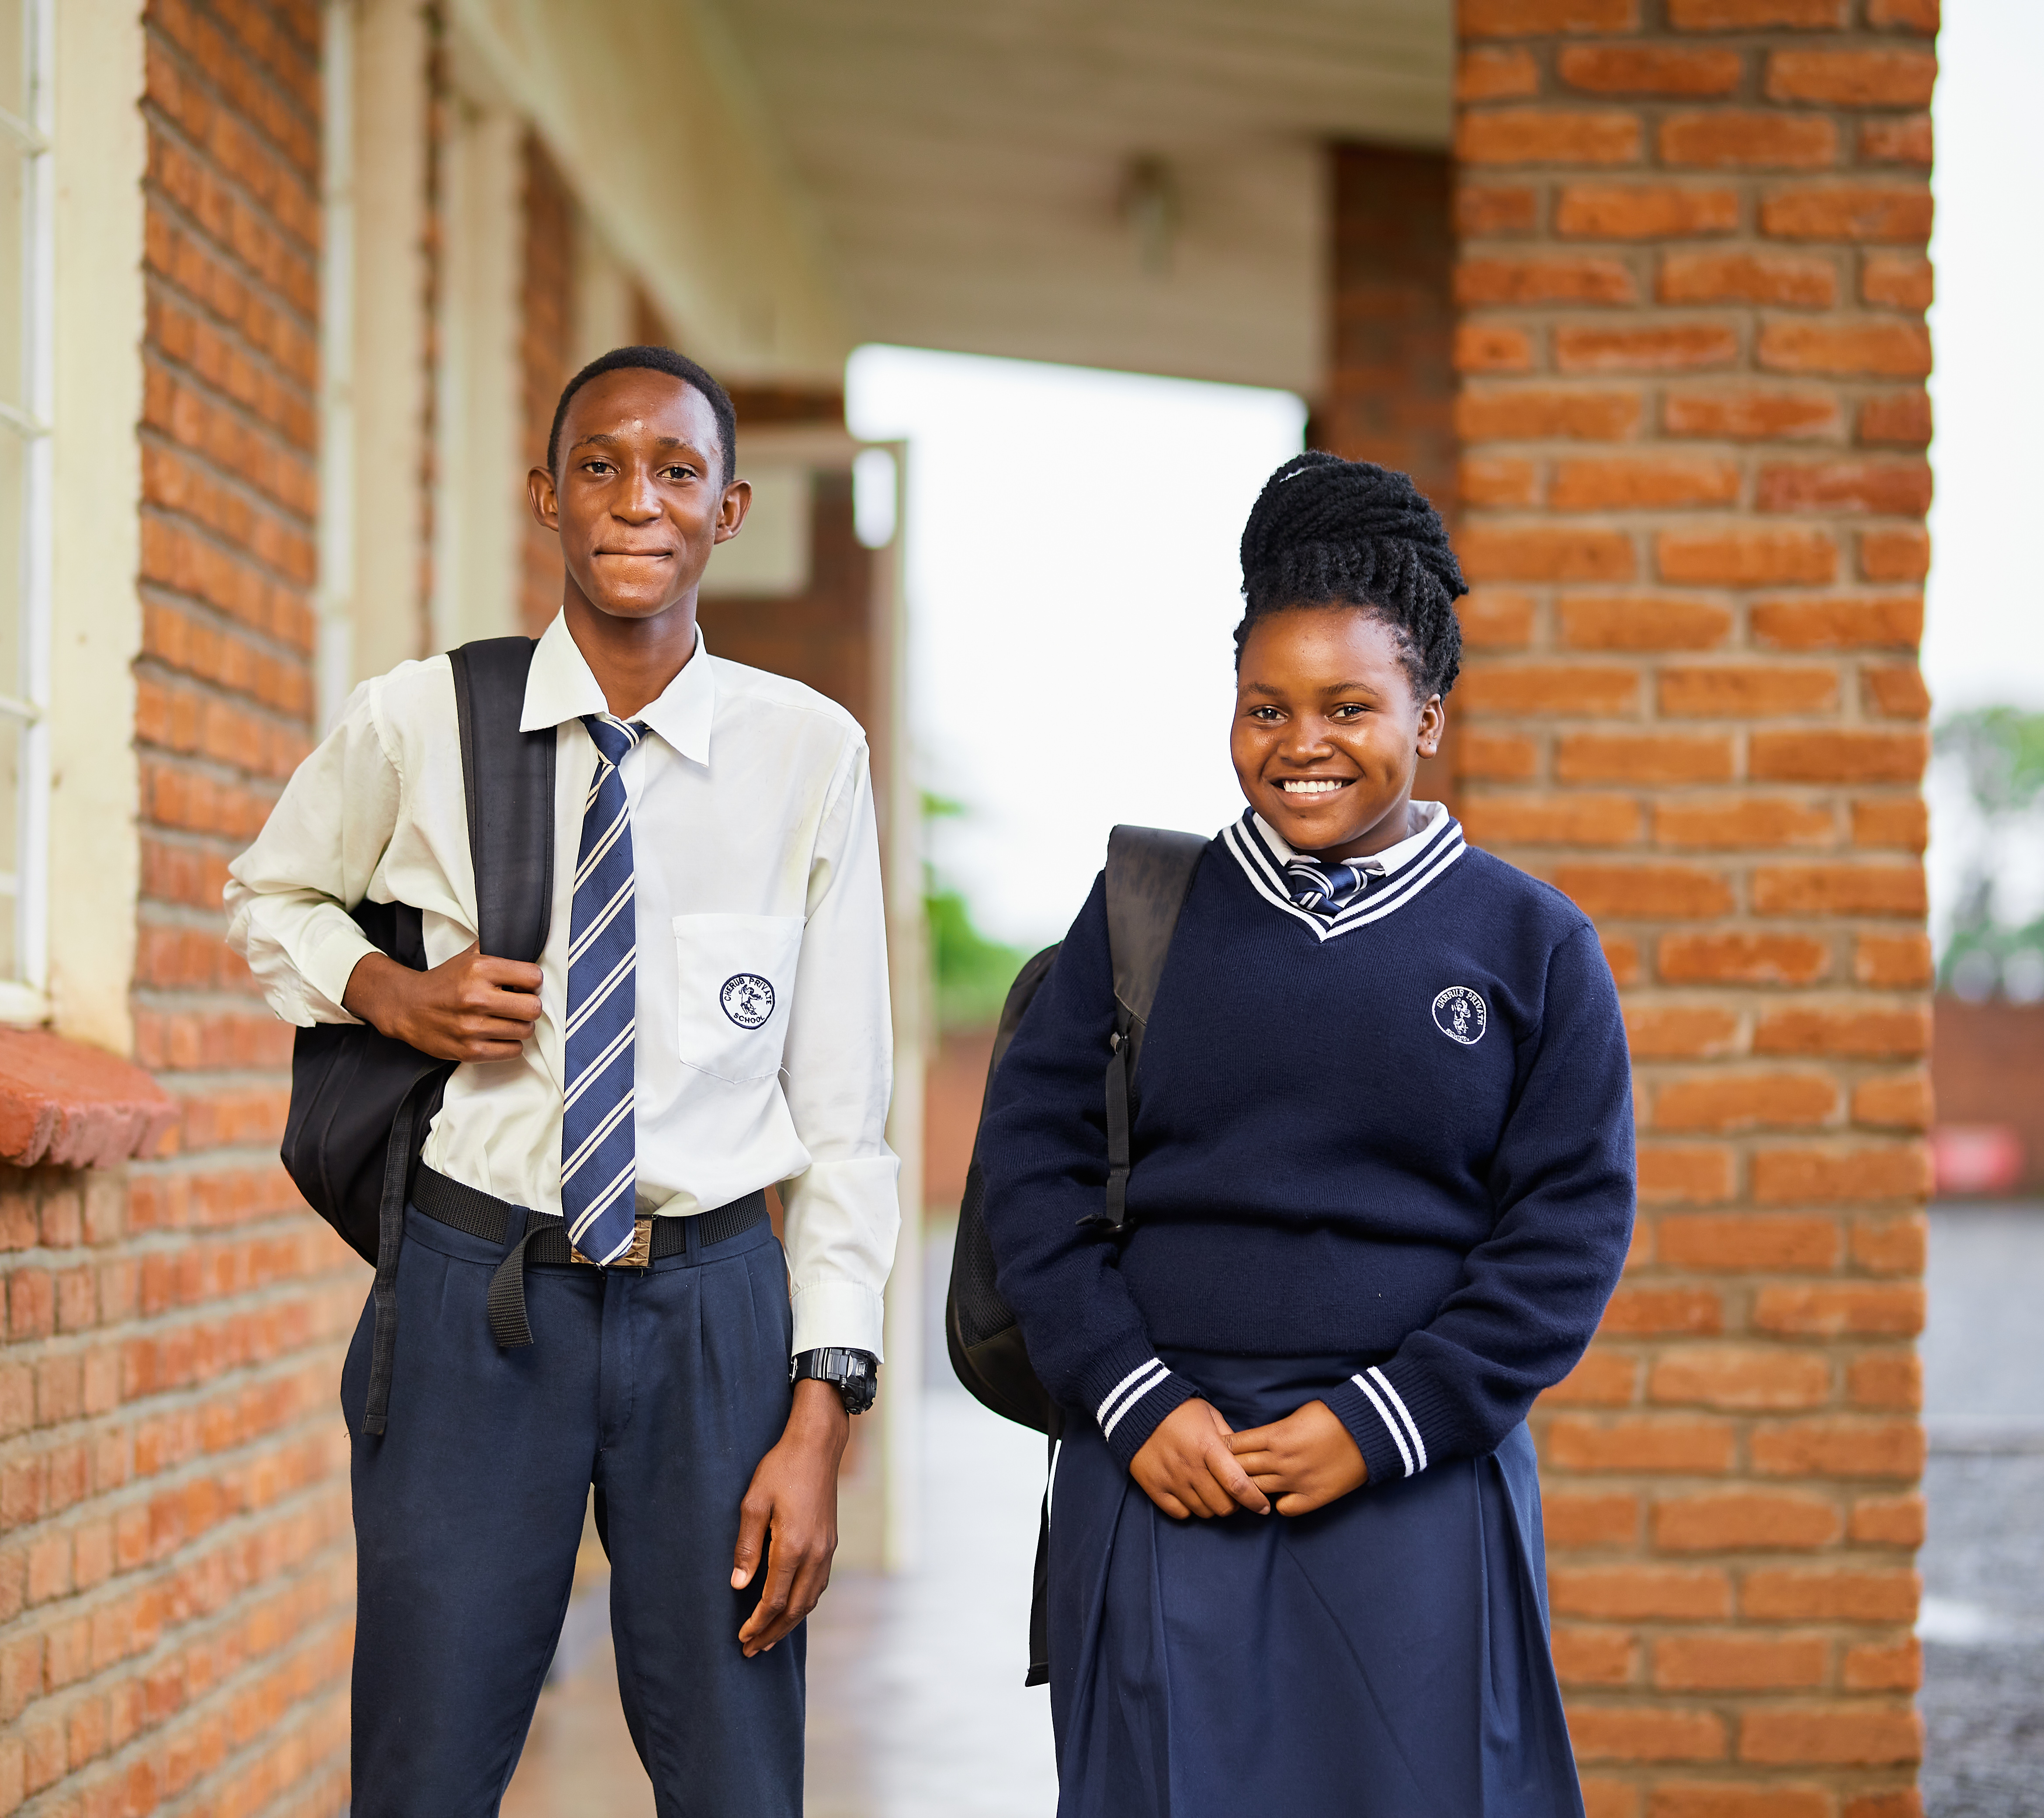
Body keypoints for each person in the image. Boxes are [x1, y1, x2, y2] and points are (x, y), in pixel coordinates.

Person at [226, 347, 899, 1816]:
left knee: (734, 1778)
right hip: (481, 1299)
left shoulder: (806, 755)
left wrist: (821, 1411)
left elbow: (848, 1125)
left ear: (727, 509)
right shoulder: (422, 721)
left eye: (675, 471)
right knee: (426, 1766)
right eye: (599, 466)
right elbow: (271, 898)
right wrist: (394, 994)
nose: (635, 502)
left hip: (716, 1314)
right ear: (546, 495)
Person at [976, 451, 1634, 1815]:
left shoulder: (1532, 945)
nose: (1302, 742)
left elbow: (1566, 1235)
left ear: (1431, 715)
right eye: (1265, 706)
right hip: (1161, 1467)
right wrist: (1132, 1399)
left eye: (1350, 706)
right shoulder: (1145, 912)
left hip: (1413, 1488)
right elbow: (1029, 1184)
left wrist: (1383, 1424)